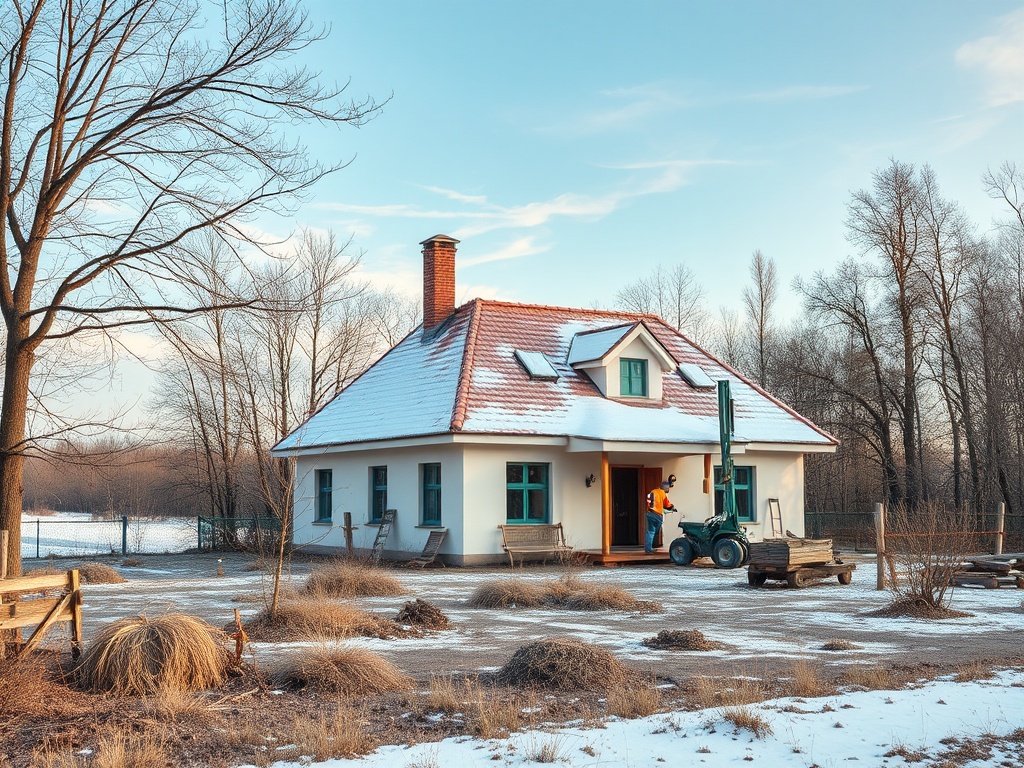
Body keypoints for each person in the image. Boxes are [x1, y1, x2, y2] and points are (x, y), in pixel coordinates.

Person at [645, 479, 676, 553]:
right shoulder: (663, 494)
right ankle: (650, 549)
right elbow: (667, 505)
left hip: (650, 513)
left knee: (650, 532)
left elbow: (648, 501)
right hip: (657, 515)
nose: (668, 489)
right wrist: (673, 507)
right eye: (667, 488)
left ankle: (649, 548)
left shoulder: (652, 492)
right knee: (654, 531)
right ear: (664, 487)